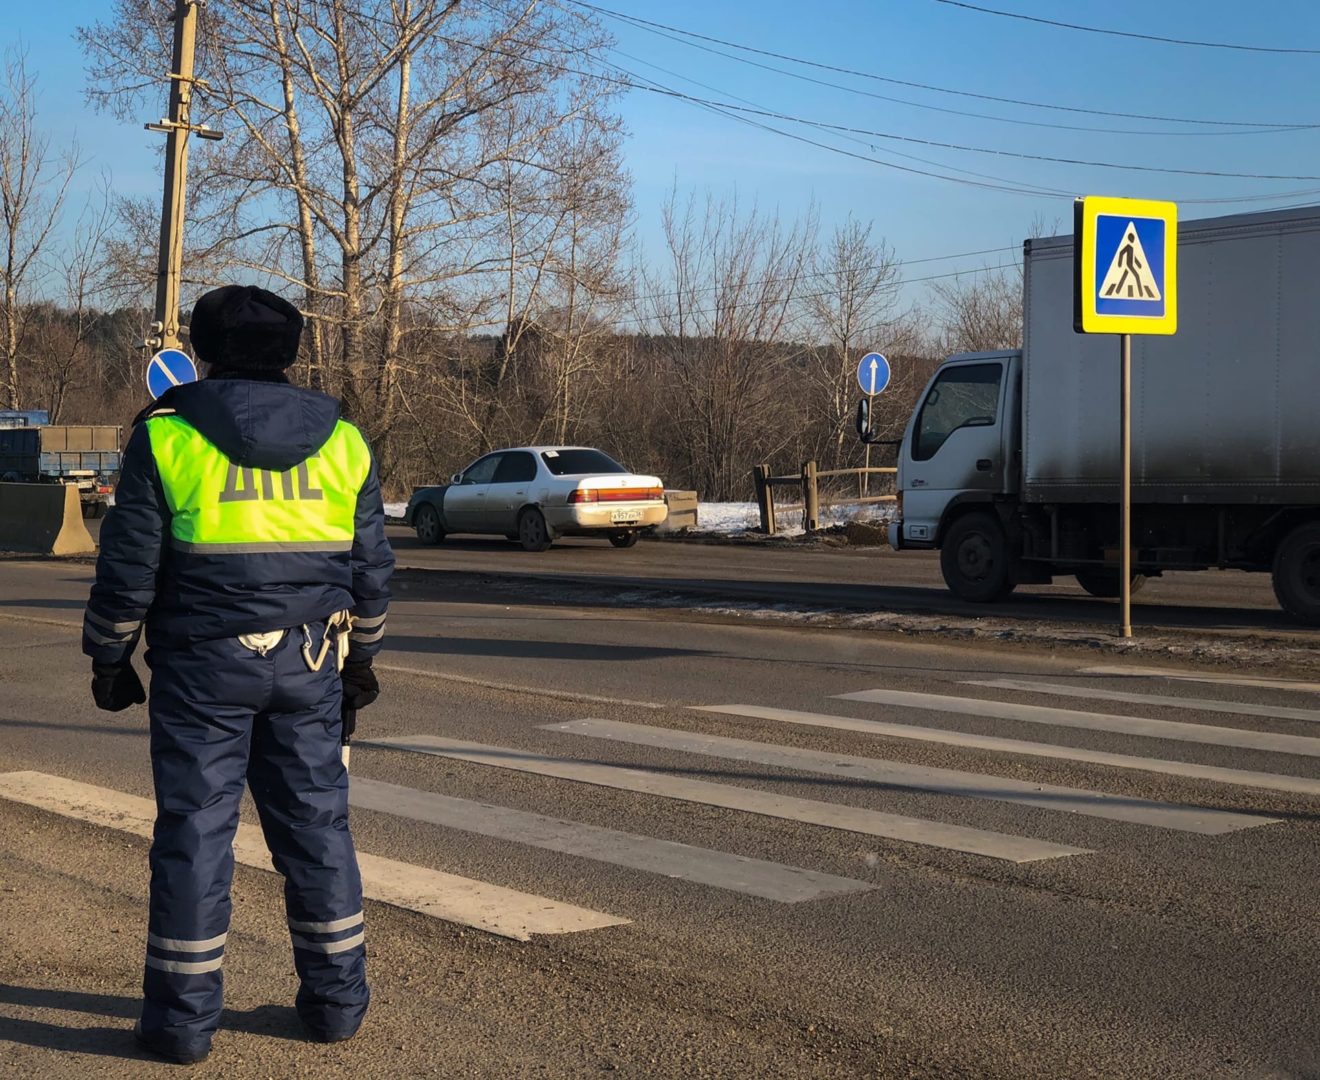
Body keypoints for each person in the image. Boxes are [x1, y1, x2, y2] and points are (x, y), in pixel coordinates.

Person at [82, 285, 394, 1064]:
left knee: (195, 837)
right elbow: (371, 574)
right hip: (311, 663)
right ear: (290, 352)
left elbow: (129, 569)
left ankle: (182, 1027)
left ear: (206, 349)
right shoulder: (344, 440)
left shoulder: (166, 436)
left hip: (200, 669)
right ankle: (336, 1007)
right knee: (318, 832)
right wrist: (360, 663)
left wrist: (110, 657)